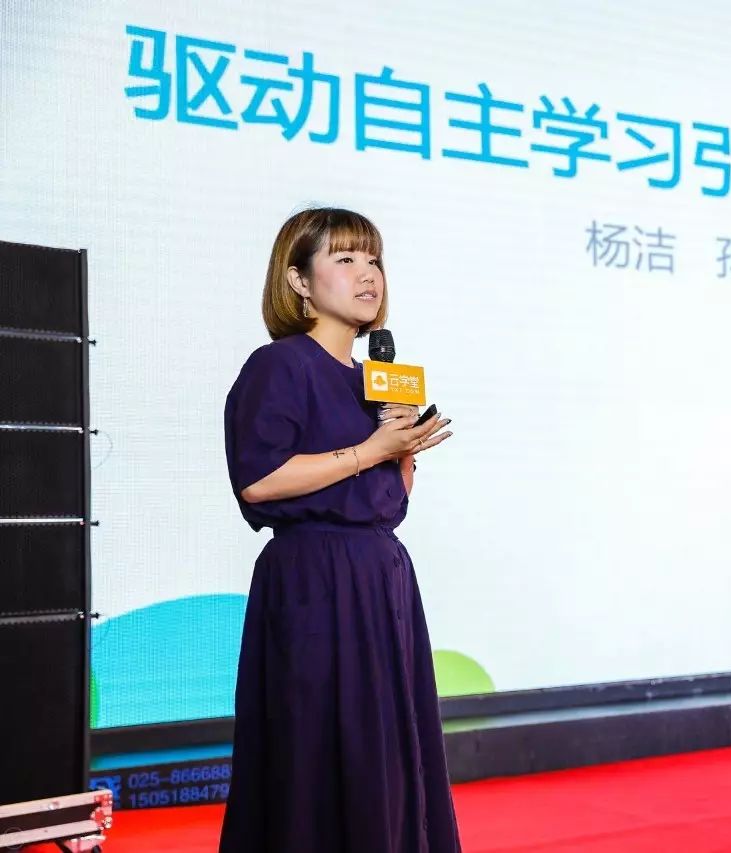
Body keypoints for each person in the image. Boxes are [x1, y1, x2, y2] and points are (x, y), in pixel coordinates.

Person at [219, 207, 461, 852]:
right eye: (346, 259)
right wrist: (372, 449)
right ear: (299, 280)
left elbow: (389, 501)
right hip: (314, 580)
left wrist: (402, 448)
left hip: (381, 574)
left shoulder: (373, 380)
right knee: (316, 747)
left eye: (373, 260)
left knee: (385, 746)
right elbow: (259, 480)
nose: (367, 275)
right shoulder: (279, 365)